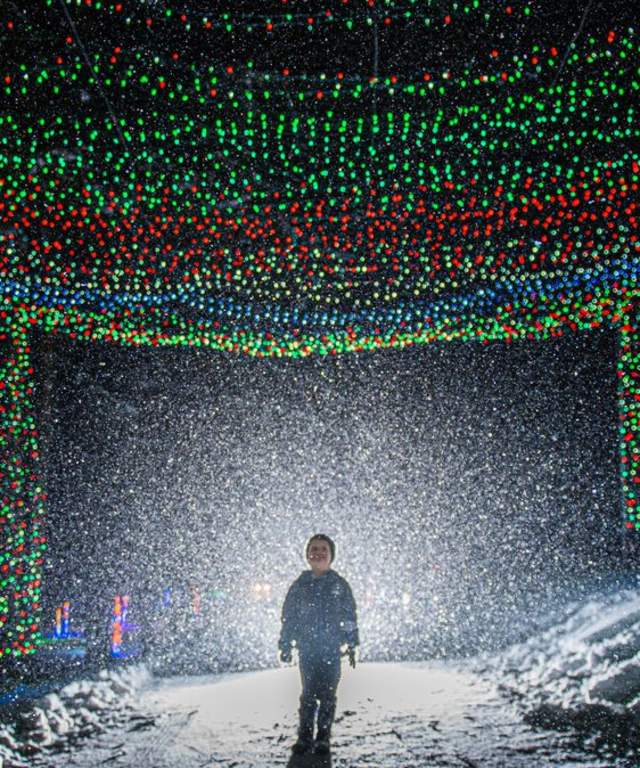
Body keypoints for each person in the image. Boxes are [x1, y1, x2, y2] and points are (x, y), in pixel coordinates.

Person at [278, 534, 359, 756]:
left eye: (324, 549)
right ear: (307, 555)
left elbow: (350, 615)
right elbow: (289, 617)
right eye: (314, 549)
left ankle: (323, 738)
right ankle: (304, 737)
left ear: (331, 555)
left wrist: (352, 643)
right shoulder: (299, 586)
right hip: (308, 649)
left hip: (332, 650)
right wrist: (285, 643)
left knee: (328, 695)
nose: (319, 553)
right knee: (308, 694)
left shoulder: (339, 585)